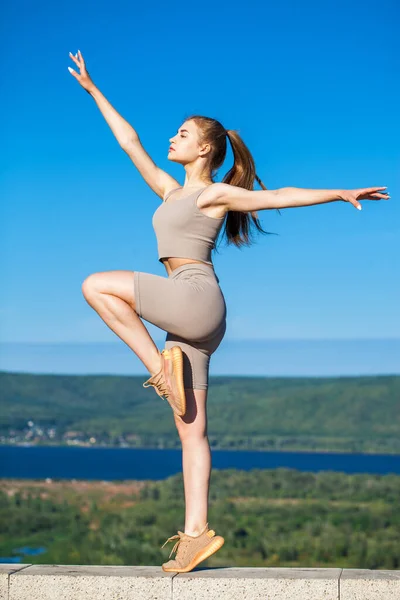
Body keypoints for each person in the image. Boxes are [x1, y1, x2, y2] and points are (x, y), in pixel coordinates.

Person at [68, 50, 390, 573]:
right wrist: (94, 90)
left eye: (181, 133)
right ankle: (196, 534)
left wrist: (339, 192)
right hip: (197, 316)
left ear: (204, 147)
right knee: (191, 430)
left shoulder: (215, 193)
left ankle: (157, 371)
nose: (170, 139)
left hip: (192, 297)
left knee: (97, 285)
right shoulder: (170, 189)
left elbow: (280, 196)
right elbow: (128, 141)